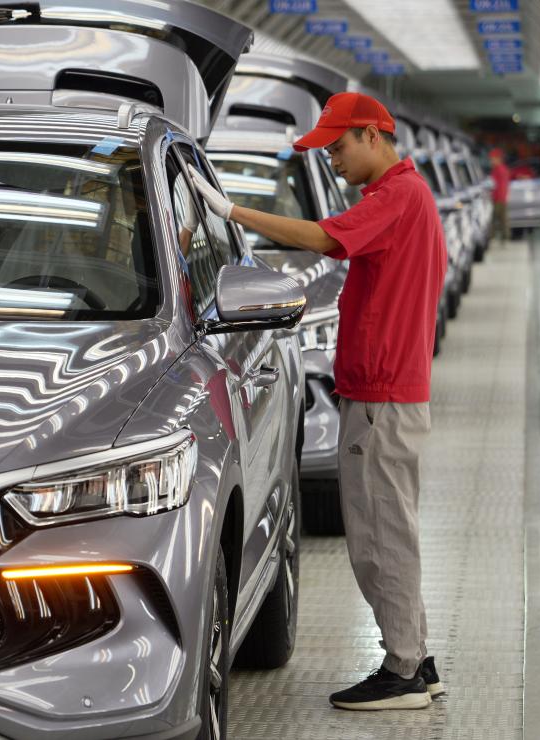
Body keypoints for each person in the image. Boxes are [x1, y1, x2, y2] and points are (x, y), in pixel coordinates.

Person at [188, 92, 447, 711]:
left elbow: (323, 239)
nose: (332, 159)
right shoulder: (403, 196)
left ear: (372, 135)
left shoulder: (397, 197)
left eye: (337, 147)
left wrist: (230, 211)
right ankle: (416, 658)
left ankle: (403, 671)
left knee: (380, 536)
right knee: (389, 529)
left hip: (382, 400)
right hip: (384, 394)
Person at [489, 148, 510, 245]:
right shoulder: (497, 169)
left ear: (498, 159)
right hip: (499, 198)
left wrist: (499, 197)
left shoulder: (500, 170)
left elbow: (501, 186)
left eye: (492, 159)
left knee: (499, 219)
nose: (491, 161)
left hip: (499, 198)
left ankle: (502, 237)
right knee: (501, 218)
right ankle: (502, 237)